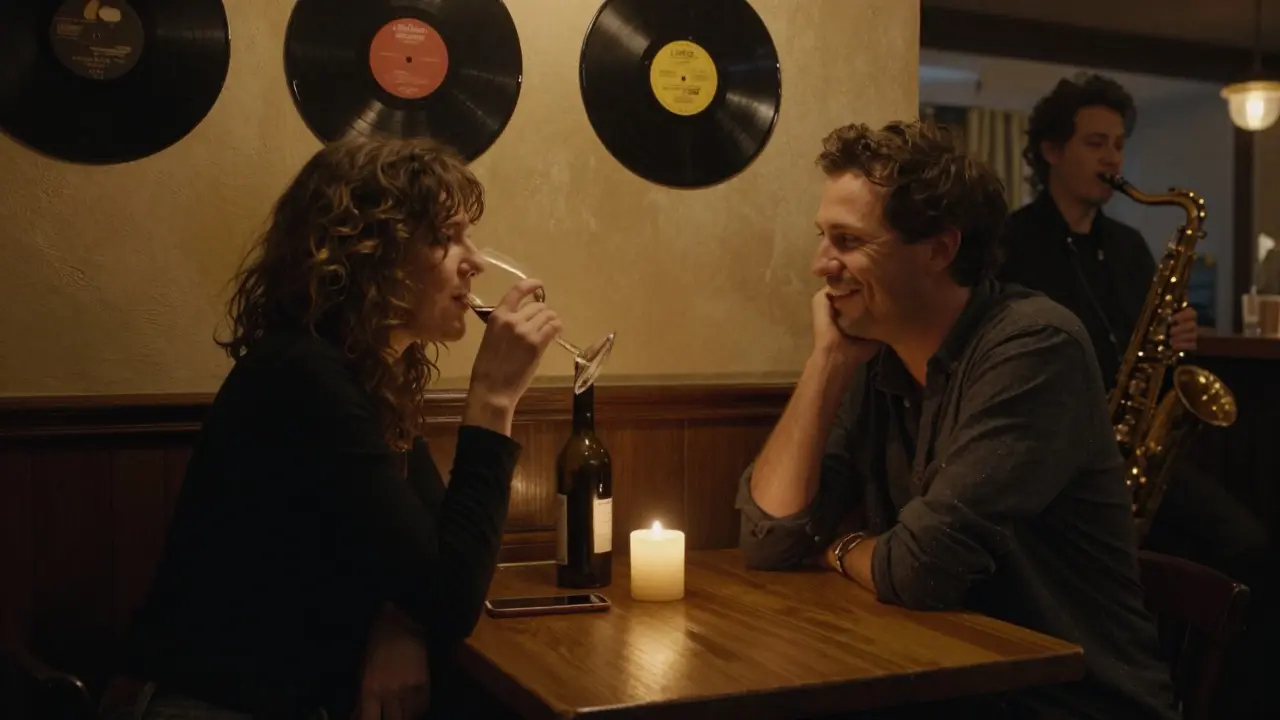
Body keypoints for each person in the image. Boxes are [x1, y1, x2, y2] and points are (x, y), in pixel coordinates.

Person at [736, 119, 1178, 719]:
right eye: (822, 237)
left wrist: (837, 548)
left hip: (1071, 699)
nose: (821, 264)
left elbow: (919, 570)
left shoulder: (1033, 347)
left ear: (940, 249)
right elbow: (770, 538)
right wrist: (826, 363)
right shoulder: (874, 352)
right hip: (950, 680)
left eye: (847, 241)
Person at [108, 136, 562, 719]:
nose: (472, 260)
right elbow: (449, 595)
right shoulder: (304, 376)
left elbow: (425, 561)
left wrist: (398, 625)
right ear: (369, 252)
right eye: (444, 238)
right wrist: (495, 400)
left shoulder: (365, 377)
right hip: (200, 703)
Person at [999, 73, 1273, 717]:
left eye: (1118, 144)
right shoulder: (1013, 242)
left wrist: (1179, 336)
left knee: (1247, 545)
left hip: (1135, 448)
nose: (1113, 159)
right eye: (1096, 143)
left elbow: (1153, 344)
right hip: (1058, 457)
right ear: (1050, 151)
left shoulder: (1127, 245)